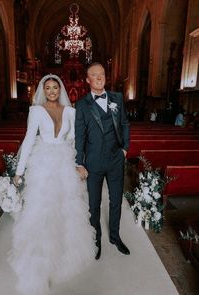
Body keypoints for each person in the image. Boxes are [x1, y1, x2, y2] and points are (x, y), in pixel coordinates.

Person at [11, 74, 96, 295]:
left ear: (60, 90)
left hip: (64, 162)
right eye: (47, 88)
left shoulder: (70, 112)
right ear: (43, 90)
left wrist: (79, 164)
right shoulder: (36, 111)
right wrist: (19, 172)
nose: (51, 91)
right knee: (43, 208)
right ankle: (40, 263)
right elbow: (29, 139)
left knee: (65, 206)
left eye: (54, 88)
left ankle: (62, 254)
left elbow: (76, 139)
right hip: (43, 163)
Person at [75, 62, 130, 260]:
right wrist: (79, 162)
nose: (99, 78)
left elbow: (124, 123)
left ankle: (115, 236)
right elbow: (79, 135)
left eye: (102, 74)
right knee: (94, 204)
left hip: (116, 159)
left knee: (116, 201)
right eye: (94, 75)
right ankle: (96, 238)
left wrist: (125, 149)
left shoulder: (117, 98)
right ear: (88, 80)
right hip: (94, 162)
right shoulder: (81, 105)